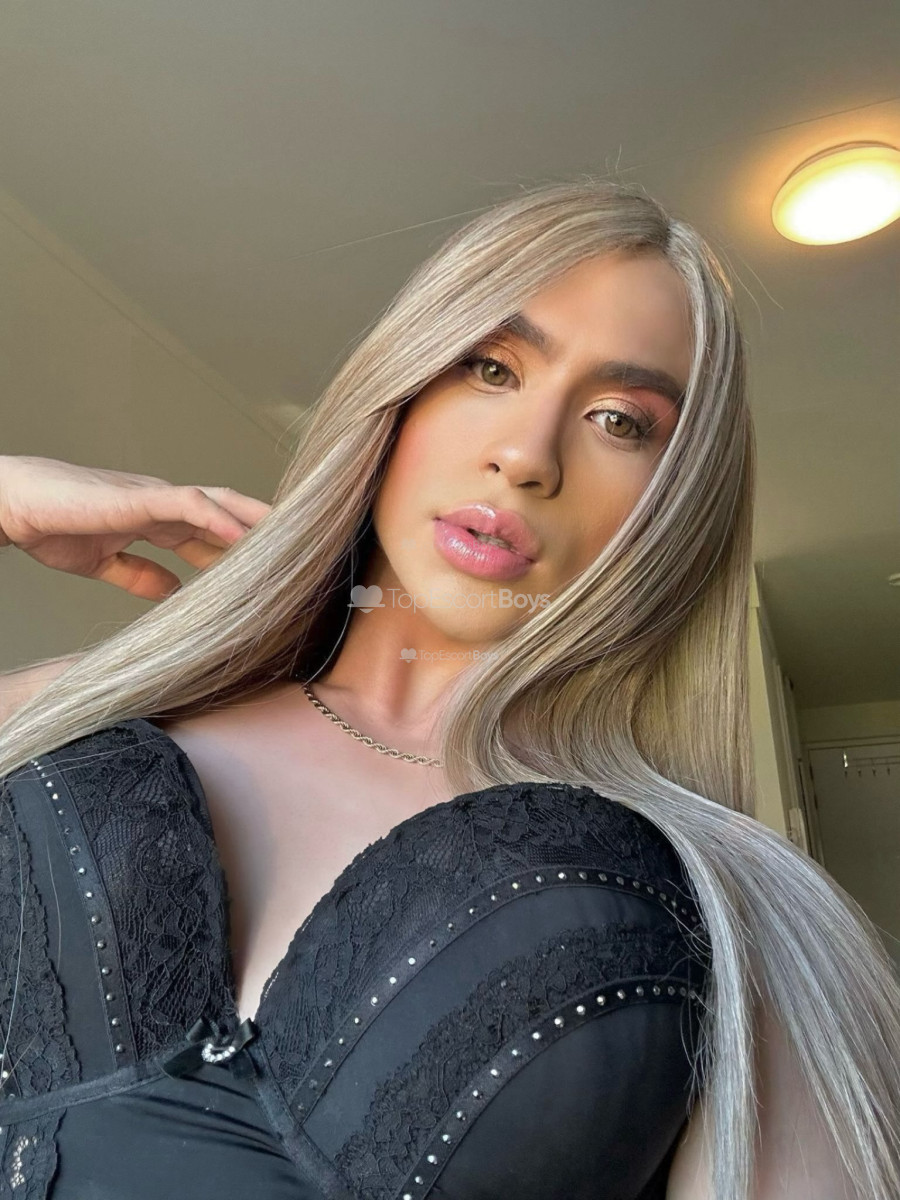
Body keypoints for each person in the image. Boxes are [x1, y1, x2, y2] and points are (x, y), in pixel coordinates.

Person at [0, 179, 897, 1200]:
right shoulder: (70, 715)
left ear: (674, 508)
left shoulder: (731, 910)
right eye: (490, 367)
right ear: (403, 389)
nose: (525, 456)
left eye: (619, 420)